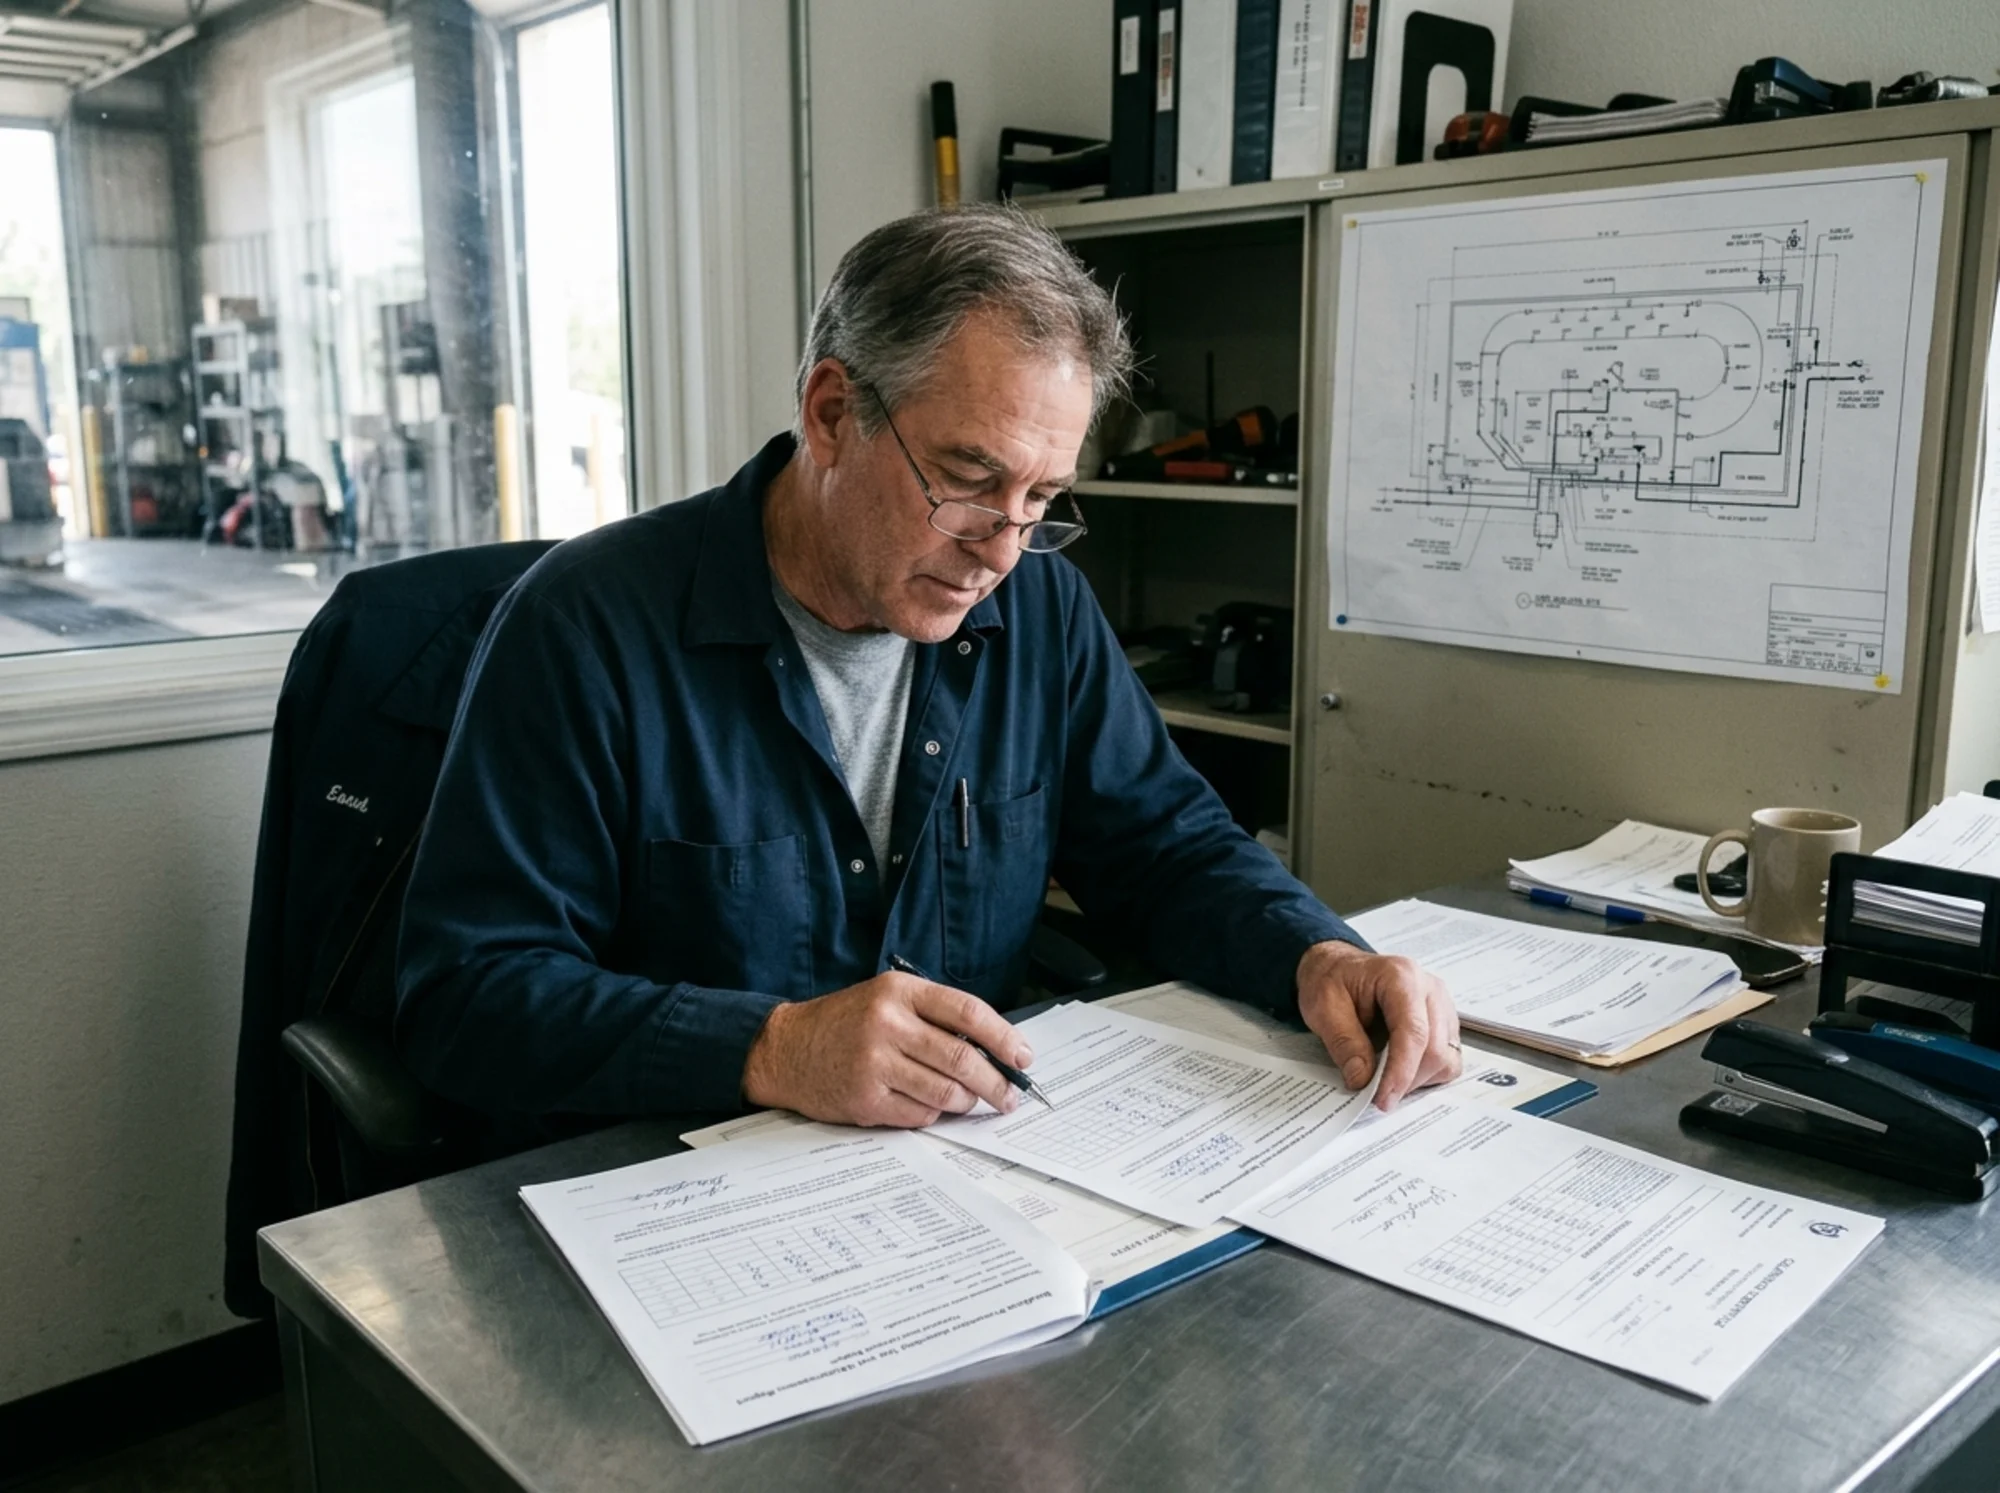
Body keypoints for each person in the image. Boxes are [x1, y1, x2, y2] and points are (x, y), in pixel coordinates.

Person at [396, 203, 1459, 1135]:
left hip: (960, 1172)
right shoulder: (584, 630)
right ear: (830, 414)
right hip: (670, 1186)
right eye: (968, 478)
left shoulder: (1036, 603)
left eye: (1042, 498)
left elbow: (1162, 845)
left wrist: (1314, 955)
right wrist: (769, 1046)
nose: (1001, 547)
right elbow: (466, 994)